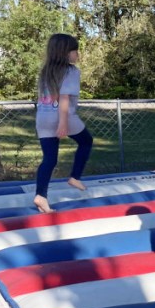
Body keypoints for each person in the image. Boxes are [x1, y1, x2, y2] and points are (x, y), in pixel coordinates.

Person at [33, 33, 93, 214]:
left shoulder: (46, 70)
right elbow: (65, 98)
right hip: (61, 115)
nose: (78, 55)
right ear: (65, 53)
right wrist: (63, 123)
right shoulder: (71, 71)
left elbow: (41, 97)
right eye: (75, 51)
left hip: (42, 117)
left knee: (49, 159)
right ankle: (75, 177)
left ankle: (41, 196)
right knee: (86, 141)